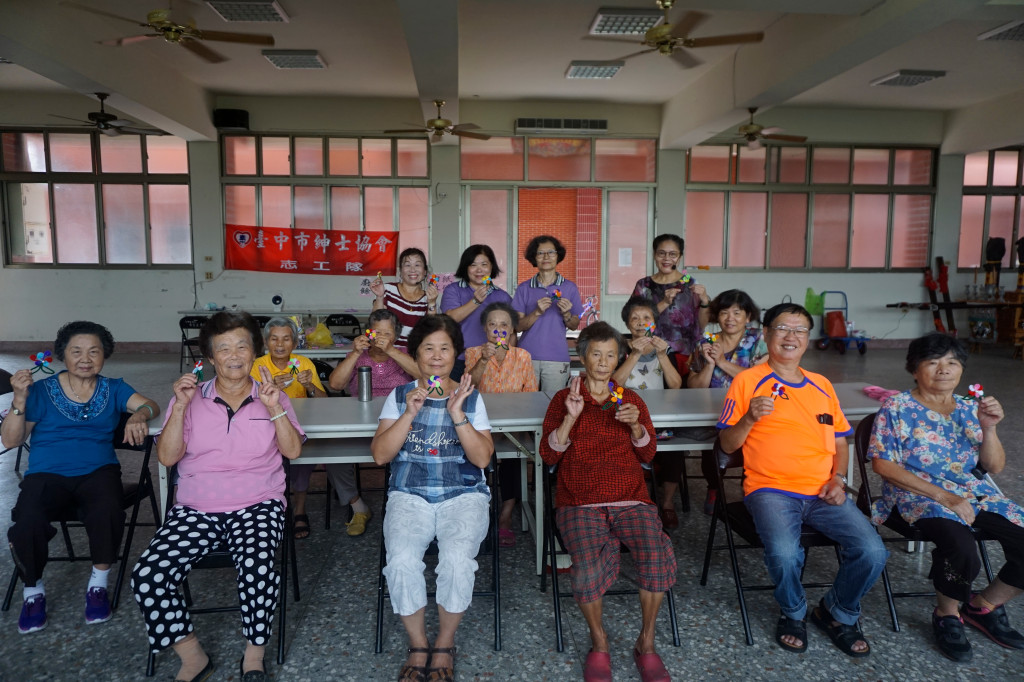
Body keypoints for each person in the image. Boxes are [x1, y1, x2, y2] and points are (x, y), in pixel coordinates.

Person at [131, 311, 304, 682]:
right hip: (197, 507)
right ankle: (192, 656)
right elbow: (166, 457)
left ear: (254, 352)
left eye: (242, 345)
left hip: (259, 502)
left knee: (258, 567)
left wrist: (275, 408)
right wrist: (178, 407)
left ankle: (253, 655)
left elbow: (292, 453)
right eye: (223, 348)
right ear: (210, 358)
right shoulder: (191, 399)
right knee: (148, 574)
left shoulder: (272, 395)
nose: (234, 354)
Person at [717, 303, 888, 657]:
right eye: (782, 328)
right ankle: (793, 612)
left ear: (808, 339)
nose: (791, 336)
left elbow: (840, 442)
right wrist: (749, 418)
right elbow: (726, 444)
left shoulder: (822, 385)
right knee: (783, 553)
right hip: (770, 489)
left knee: (873, 551)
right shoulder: (748, 381)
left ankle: (837, 613)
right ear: (766, 334)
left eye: (799, 330)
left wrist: (839, 479)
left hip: (824, 491)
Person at [869, 333, 1024, 662]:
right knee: (962, 547)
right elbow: (882, 463)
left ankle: (982, 607)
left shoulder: (970, 408)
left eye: (952, 362)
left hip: (971, 493)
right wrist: (944, 496)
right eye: (933, 362)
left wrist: (991, 428)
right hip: (917, 495)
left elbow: (993, 465)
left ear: (962, 369)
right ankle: (947, 613)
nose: (944, 369)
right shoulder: (898, 407)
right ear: (914, 369)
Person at [2, 321, 160, 635]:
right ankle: (33, 592)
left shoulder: (114, 388)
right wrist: (19, 401)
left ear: (105, 356)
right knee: (27, 521)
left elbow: (150, 404)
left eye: (94, 351)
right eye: (76, 351)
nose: (85, 358)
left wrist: (139, 415)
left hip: (98, 471)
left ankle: (98, 585)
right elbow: (10, 441)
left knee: (107, 512)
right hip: (46, 474)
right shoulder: (41, 390)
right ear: (62, 354)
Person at [541, 322, 676, 682]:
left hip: (631, 499)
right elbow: (549, 457)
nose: (603, 362)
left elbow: (648, 454)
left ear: (620, 359)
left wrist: (636, 428)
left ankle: (646, 644)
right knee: (585, 564)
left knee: (655, 552)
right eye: (596, 354)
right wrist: (570, 418)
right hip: (579, 502)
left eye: (610, 355)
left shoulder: (629, 399)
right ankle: (599, 642)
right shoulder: (563, 399)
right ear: (582, 357)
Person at [372, 315, 494, 682]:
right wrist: (410, 411)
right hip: (410, 495)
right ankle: (417, 643)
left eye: (445, 348)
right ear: (416, 354)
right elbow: (380, 455)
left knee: (457, 561)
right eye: (429, 348)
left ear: (456, 353)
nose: (437, 357)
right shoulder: (399, 396)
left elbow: (483, 458)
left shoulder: (471, 398)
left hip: (464, 495)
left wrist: (458, 414)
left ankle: (444, 641)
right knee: (402, 561)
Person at [327, 309, 419, 536]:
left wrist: (392, 351)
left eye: (387, 334)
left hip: (398, 422)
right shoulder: (360, 354)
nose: (380, 338)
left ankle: (405, 504)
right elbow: (336, 385)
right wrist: (354, 354)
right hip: (360, 420)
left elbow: (423, 376)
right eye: (376, 332)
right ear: (368, 333)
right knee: (333, 453)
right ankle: (357, 506)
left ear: (396, 336)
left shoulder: (405, 353)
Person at [687, 289, 768, 515]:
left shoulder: (759, 340)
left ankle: (750, 490)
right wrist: (710, 364)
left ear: (748, 316)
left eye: (737, 312)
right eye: (724, 312)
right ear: (716, 316)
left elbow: (761, 381)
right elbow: (693, 387)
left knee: (756, 445)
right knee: (710, 447)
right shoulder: (706, 342)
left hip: (749, 409)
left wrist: (722, 362)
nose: (730, 318)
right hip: (711, 411)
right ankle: (714, 488)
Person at [465, 301, 539, 546]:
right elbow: (469, 388)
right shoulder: (473, 353)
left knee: (512, 459)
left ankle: (506, 515)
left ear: (512, 330)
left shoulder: (523, 356)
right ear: (485, 330)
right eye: (492, 324)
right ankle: (479, 512)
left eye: (504, 324)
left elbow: (531, 394)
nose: (498, 329)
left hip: (513, 424)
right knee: (480, 456)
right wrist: (484, 361)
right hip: (482, 423)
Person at [250, 316, 325, 540]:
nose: (280, 345)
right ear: (265, 342)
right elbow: (247, 403)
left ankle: (299, 508)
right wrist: (270, 389)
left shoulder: (303, 364)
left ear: (294, 343)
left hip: (297, 425)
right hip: (264, 424)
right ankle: (270, 508)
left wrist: (309, 385)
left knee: (300, 460)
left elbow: (324, 400)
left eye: (286, 339)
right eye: (274, 339)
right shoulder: (257, 366)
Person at [612, 296, 683, 531]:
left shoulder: (665, 348)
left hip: (660, 419)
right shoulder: (619, 348)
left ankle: (667, 503)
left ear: (654, 321)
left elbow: (675, 385)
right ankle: (632, 501)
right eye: (635, 319)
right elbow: (614, 385)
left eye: (646, 318)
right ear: (627, 324)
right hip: (627, 418)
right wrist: (633, 355)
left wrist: (662, 356)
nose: (641, 323)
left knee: (675, 451)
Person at [512, 235, 583, 392]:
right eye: (540, 253)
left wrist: (566, 315)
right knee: (525, 404)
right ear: (534, 258)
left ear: (558, 256)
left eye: (551, 252)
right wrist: (536, 312)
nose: (546, 257)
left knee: (554, 405)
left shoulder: (570, 288)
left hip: (557, 357)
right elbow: (517, 326)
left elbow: (574, 325)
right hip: (527, 357)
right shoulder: (524, 288)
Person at [632, 234, 710, 375]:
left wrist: (705, 302)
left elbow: (702, 325)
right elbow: (633, 320)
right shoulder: (644, 285)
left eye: (673, 254)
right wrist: (664, 303)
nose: (667, 258)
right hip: (651, 354)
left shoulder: (690, 283)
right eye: (661, 253)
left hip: (686, 355)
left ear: (679, 257)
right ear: (654, 255)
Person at [440, 244, 513, 380]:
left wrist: (507, 357)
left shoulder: (502, 296)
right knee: (455, 399)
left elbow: (512, 331)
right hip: (458, 359)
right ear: (465, 267)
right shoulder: (453, 290)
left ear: (492, 267)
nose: (479, 270)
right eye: (473, 265)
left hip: (492, 359)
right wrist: (476, 301)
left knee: (489, 400)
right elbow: (449, 318)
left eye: (484, 264)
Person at [371, 247, 439, 351]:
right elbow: (375, 323)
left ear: (424, 272)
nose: (412, 269)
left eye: (417, 265)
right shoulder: (387, 289)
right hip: (385, 352)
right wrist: (380, 297)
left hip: (413, 356)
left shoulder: (428, 297)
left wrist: (432, 303)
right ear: (401, 271)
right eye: (407, 265)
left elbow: (431, 331)